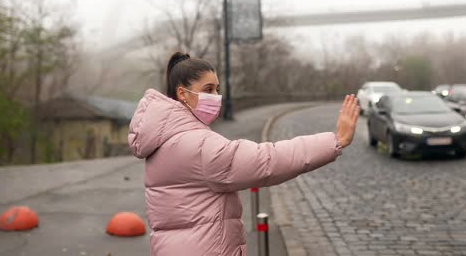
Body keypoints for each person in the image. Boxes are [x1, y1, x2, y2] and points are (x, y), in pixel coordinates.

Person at [128, 52, 360, 256]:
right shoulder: (197, 145)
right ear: (183, 94)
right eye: (208, 90)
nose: (216, 97)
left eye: (217, 90)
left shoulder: (165, 139)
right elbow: (267, 160)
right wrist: (335, 140)